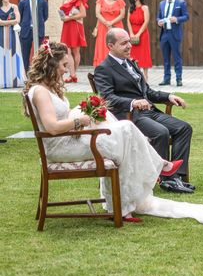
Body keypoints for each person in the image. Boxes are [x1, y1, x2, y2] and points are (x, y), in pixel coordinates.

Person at [24, 40, 184, 222]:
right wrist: (79, 121)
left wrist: (84, 113)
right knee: (125, 132)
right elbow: (52, 127)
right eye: (64, 65)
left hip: (68, 139)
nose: (66, 70)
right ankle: (146, 179)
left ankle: (126, 202)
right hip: (60, 148)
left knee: (119, 127)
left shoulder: (47, 89)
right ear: (51, 65)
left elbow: (60, 119)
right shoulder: (41, 92)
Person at [93, 28, 195, 194]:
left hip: (149, 112)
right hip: (129, 117)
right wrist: (133, 102)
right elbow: (107, 98)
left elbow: (147, 92)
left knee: (184, 128)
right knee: (160, 132)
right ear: (110, 46)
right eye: (124, 43)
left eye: (129, 42)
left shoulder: (130, 63)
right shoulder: (104, 68)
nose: (129, 46)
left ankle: (175, 176)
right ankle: (164, 179)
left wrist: (168, 96)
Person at [156, 0, 189, 86]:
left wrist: (177, 19)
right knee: (166, 58)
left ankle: (179, 79)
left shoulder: (181, 3)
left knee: (177, 57)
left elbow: (186, 16)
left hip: (174, 34)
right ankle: (167, 78)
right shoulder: (162, 3)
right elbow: (158, 17)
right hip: (165, 33)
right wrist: (158, 22)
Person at [59, 0, 88, 83]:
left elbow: (83, 14)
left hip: (76, 26)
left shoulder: (79, 0)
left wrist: (70, 18)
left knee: (76, 50)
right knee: (68, 50)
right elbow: (62, 13)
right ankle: (73, 75)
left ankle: (73, 74)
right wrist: (62, 17)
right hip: (66, 26)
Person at [18, 0, 48, 72]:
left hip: (38, 31)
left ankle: (38, 72)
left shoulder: (43, 1)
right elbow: (20, 16)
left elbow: (45, 16)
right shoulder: (22, 2)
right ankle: (25, 74)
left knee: (39, 53)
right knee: (25, 54)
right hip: (26, 31)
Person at [93, 0, 126, 67]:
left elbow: (122, 15)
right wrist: (106, 23)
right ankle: (102, 69)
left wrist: (111, 22)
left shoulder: (120, 0)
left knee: (117, 46)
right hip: (103, 28)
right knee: (102, 47)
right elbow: (97, 14)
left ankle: (118, 68)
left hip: (117, 27)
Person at [0, 0, 26, 88]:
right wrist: (10, 22)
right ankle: (3, 81)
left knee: (14, 54)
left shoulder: (14, 7)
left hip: (13, 35)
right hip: (1, 34)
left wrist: (4, 23)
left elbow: (18, 20)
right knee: (2, 55)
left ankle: (15, 80)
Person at [127, 0, 152, 80]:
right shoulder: (130, 8)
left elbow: (146, 21)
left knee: (144, 54)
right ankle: (134, 74)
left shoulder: (144, 8)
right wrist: (131, 33)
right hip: (132, 33)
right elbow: (128, 22)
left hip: (142, 33)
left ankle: (145, 75)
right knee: (133, 54)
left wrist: (138, 34)